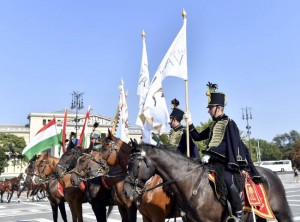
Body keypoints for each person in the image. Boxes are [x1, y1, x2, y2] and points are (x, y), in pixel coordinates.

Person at [186, 82, 262, 222]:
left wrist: (211, 153)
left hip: (225, 162)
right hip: (211, 162)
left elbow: (230, 144)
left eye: (210, 108)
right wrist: (190, 123)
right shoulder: (213, 125)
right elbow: (197, 136)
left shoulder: (229, 123)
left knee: (227, 180)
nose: (208, 110)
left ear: (218, 108)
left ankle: (237, 213)